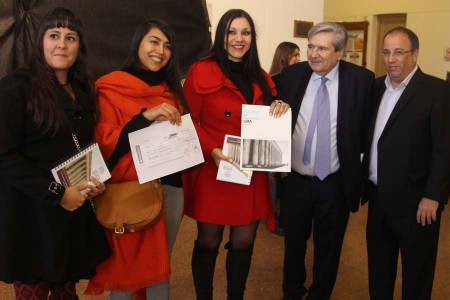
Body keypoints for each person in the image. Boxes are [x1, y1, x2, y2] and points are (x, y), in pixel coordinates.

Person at [0, 7, 111, 300]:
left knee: (66, 292)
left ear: (79, 47)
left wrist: (95, 181)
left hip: (69, 214)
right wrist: (56, 193)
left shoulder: (83, 90)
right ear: (41, 41)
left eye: (70, 37)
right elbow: (4, 155)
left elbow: (82, 146)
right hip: (31, 214)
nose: (62, 43)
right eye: (54, 35)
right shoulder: (18, 86)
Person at [182, 8, 289, 300]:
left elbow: (269, 124)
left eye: (245, 32)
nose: (238, 39)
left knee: (244, 241)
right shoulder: (201, 70)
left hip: (249, 173)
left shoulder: (263, 77)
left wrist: (280, 107)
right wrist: (211, 149)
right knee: (208, 240)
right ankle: (204, 296)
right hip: (214, 168)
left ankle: (235, 296)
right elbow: (186, 118)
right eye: (231, 31)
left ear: (252, 38)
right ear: (221, 35)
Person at [84, 18, 187, 300]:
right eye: (153, 41)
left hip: (170, 189)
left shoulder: (172, 90)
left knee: (160, 268)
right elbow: (106, 146)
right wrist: (143, 117)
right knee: (126, 273)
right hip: (129, 191)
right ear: (138, 43)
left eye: (167, 46)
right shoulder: (111, 86)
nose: (161, 51)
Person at [278, 22, 374, 299]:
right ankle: (292, 292)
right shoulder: (291, 75)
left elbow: (367, 126)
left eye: (322, 48)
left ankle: (320, 294)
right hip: (296, 180)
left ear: (340, 52)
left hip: (335, 182)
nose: (314, 54)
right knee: (293, 244)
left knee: (329, 247)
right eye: (310, 47)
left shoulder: (361, 80)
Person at [363, 27, 450, 300]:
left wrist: (433, 196)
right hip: (378, 200)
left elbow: (444, 148)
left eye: (399, 52)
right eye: (386, 52)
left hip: (418, 204)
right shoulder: (375, 87)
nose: (392, 59)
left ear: (415, 54)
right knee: (379, 272)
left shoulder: (437, 91)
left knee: (416, 276)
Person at [267, 41, 301, 236]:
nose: (298, 58)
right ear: (284, 56)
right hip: (276, 137)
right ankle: (274, 217)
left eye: (299, 54)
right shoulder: (274, 80)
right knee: (275, 180)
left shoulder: (298, 80)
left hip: (292, 137)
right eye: (294, 54)